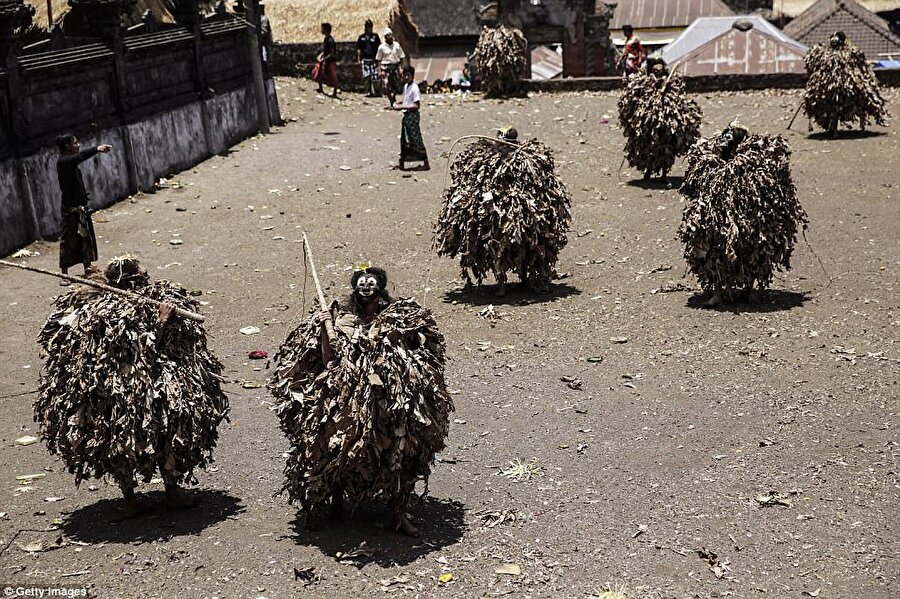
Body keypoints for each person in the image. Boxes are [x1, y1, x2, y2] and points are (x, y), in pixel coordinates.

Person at [36, 256, 229, 518]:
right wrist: (161, 321)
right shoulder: (116, 313)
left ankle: (139, 499)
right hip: (128, 390)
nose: (147, 279)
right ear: (134, 280)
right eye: (143, 276)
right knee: (160, 430)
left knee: (127, 440)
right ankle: (166, 493)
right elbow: (143, 352)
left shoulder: (103, 307)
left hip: (112, 392)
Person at [269, 267, 453, 537]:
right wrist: (325, 329)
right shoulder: (343, 320)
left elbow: (412, 351)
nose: (366, 287)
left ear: (381, 287)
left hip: (391, 397)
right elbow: (330, 360)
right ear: (355, 288)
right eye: (361, 283)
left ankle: (398, 513)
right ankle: (336, 502)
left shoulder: (395, 318)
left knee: (402, 450)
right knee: (337, 445)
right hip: (347, 394)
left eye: (372, 283)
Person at [56, 134, 111, 281]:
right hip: (70, 209)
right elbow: (79, 157)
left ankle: (88, 268)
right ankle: (64, 274)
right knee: (68, 240)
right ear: (67, 146)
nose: (78, 145)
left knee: (85, 237)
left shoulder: (71, 163)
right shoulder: (64, 162)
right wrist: (96, 149)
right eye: (75, 143)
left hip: (81, 207)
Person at [392, 66, 429, 171]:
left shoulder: (414, 88)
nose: (406, 77)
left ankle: (425, 162)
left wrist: (402, 107)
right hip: (406, 116)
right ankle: (402, 162)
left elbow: (416, 105)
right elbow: (407, 101)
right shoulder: (406, 86)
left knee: (416, 138)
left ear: (412, 76)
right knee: (405, 139)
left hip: (413, 116)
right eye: (405, 75)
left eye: (408, 75)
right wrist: (398, 104)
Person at [376, 28, 406, 107]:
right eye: (388, 36)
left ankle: (393, 99)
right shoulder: (381, 47)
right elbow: (378, 60)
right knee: (385, 85)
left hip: (395, 66)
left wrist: (401, 68)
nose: (390, 37)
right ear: (385, 37)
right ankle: (391, 100)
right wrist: (379, 70)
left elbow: (402, 57)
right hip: (385, 68)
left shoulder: (397, 45)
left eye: (391, 35)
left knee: (397, 85)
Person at [356, 19, 381, 97]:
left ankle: (376, 91)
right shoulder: (361, 37)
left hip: (373, 59)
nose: (369, 29)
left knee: (375, 76)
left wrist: (379, 59)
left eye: (370, 27)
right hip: (365, 59)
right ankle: (369, 91)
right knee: (367, 76)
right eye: (367, 27)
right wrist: (359, 59)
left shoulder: (375, 37)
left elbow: (379, 48)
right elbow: (359, 49)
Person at [314, 22, 339, 97]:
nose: (321, 30)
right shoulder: (326, 39)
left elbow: (332, 53)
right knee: (319, 73)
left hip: (330, 61)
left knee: (333, 76)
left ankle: (335, 92)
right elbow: (325, 51)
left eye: (322, 28)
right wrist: (320, 55)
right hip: (325, 60)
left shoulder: (331, 40)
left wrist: (324, 59)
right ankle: (320, 88)